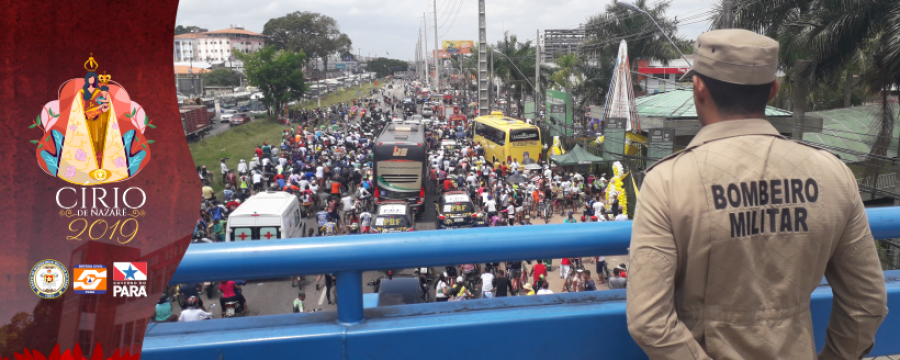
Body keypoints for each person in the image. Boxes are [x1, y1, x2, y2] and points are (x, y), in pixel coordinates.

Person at [627, 29, 888, 360]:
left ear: (699, 87)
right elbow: (867, 302)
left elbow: (649, 322)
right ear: (773, 91)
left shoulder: (668, 181)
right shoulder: (832, 174)